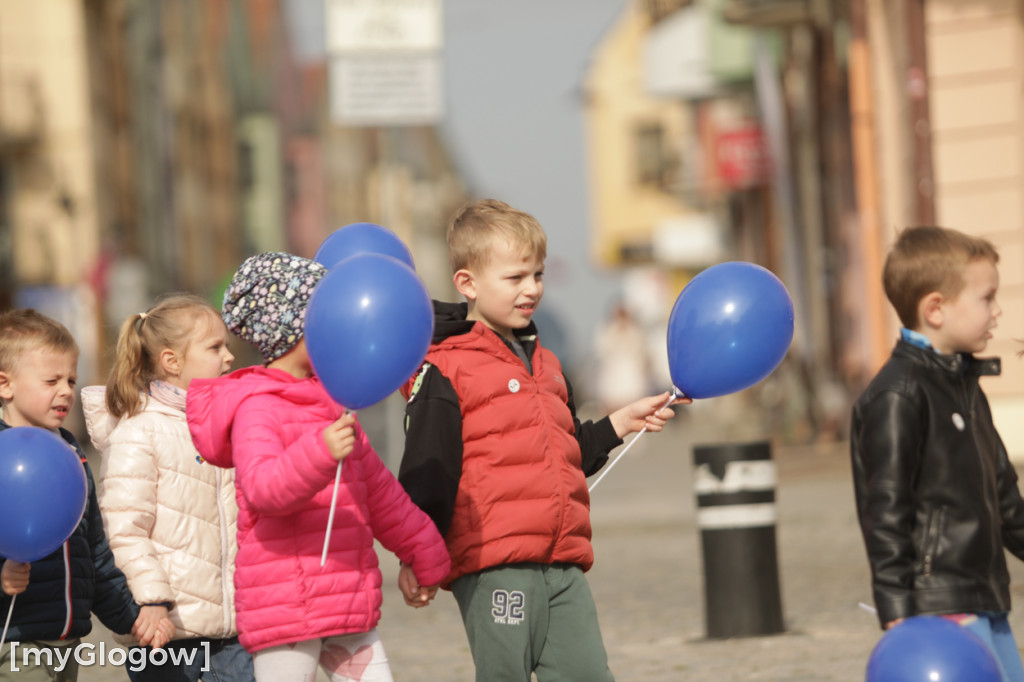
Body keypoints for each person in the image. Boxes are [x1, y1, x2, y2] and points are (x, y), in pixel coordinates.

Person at [398, 199, 685, 682]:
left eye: (538, 275)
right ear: (467, 283)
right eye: (515, 278)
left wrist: (619, 423)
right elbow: (429, 469)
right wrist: (416, 553)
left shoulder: (547, 365)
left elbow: (563, 451)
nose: (531, 289)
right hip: (495, 568)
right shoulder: (445, 367)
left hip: (563, 563)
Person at [186, 252, 451, 682]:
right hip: (286, 608)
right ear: (293, 328)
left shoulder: (335, 401)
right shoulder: (257, 407)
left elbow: (381, 494)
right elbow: (263, 489)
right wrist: (320, 453)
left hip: (347, 598)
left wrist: (425, 555)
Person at [851, 225, 1024, 681]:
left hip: (985, 598)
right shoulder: (898, 396)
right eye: (987, 298)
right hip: (937, 606)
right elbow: (885, 512)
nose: (997, 310)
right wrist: (896, 609)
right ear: (936, 309)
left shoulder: (965, 386)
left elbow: (1004, 496)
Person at [81, 294, 255, 681]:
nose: (228, 356)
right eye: (214, 347)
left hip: (235, 629)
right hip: (166, 631)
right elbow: (123, 531)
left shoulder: (227, 426)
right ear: (171, 362)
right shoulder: (140, 432)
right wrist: (152, 600)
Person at [0, 308, 173, 681]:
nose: (66, 390)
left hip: (68, 644)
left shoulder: (71, 455)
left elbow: (93, 554)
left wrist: (133, 621)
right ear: (5, 384)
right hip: (14, 642)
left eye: (71, 379)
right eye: (51, 380)